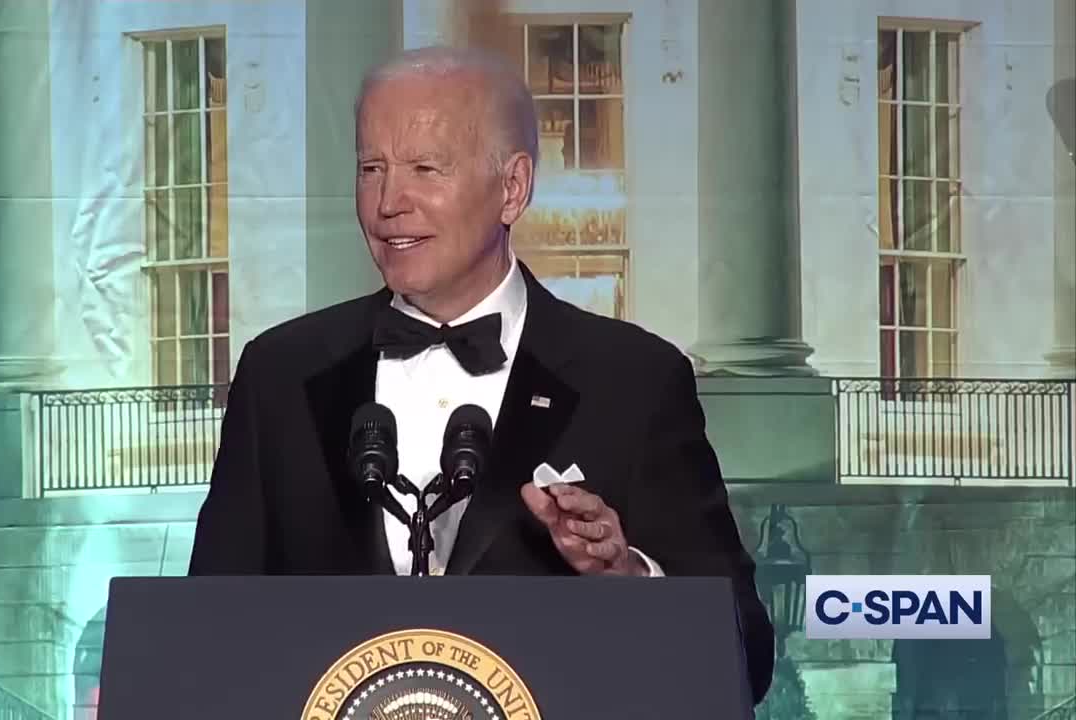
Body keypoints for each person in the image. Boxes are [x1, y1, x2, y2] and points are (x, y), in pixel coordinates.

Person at [188, 45, 774, 703]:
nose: (388, 203)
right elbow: (204, 640)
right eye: (370, 168)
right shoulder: (281, 373)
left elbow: (743, 656)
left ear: (513, 188)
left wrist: (629, 580)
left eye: (424, 168)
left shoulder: (634, 383)